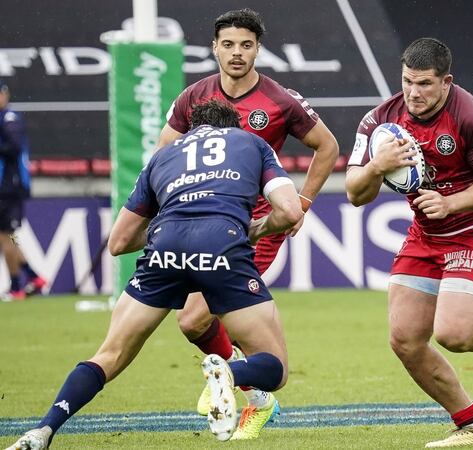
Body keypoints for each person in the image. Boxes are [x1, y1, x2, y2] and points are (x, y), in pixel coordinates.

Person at [5, 99, 304, 450]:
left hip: (163, 246)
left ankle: (43, 430)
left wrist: (170, 230)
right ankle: (231, 373)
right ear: (232, 128)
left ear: (192, 129)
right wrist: (254, 229)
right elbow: (289, 211)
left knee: (109, 354)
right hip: (222, 243)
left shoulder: (164, 155)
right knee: (275, 367)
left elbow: (118, 242)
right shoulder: (251, 143)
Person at [156, 8, 339, 439]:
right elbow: (164, 151)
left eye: (246, 45)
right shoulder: (193, 97)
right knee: (192, 323)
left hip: (254, 226)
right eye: (228, 44)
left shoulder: (279, 100)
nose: (237, 53)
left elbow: (327, 147)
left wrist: (303, 200)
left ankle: (236, 383)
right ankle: (254, 394)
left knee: (196, 317)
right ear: (214, 47)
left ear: (257, 48)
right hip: (204, 224)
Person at [345, 37, 473, 448]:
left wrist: (450, 203)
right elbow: (355, 194)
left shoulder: (472, 116)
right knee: (405, 339)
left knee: (454, 334)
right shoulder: (380, 121)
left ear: (446, 81)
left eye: (426, 84)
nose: (414, 92)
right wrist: (378, 165)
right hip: (425, 235)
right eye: (408, 81)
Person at [0, 80, 47, 301]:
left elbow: (14, 147)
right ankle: (33, 276)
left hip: (9, 188)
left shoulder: (10, 118)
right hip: (6, 188)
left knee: (5, 237)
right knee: (8, 236)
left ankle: (16, 287)